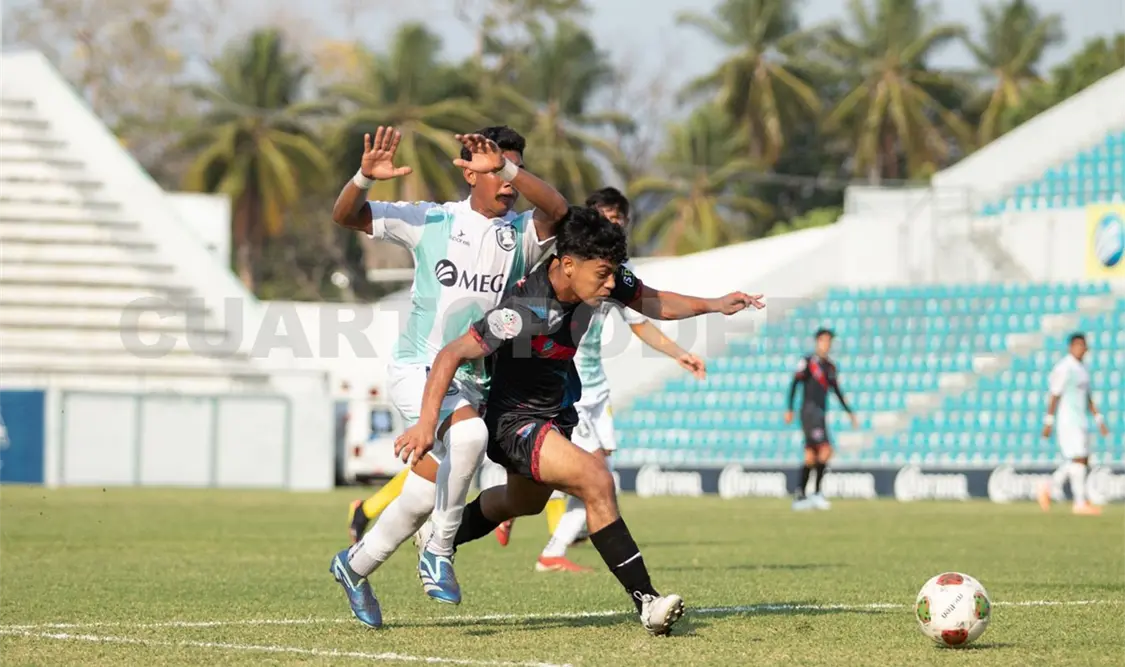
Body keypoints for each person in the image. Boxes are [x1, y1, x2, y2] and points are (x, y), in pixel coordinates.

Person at [394, 207, 764, 634]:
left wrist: (715, 305)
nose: (610, 286)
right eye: (602, 275)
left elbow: (653, 300)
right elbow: (451, 353)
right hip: (514, 420)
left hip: (556, 410)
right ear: (567, 265)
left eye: (613, 275)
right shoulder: (524, 309)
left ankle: (442, 535)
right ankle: (647, 601)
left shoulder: (604, 278)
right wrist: (426, 423)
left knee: (524, 503)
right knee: (596, 479)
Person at [328, 125, 569, 629]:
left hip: (473, 380)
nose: (508, 181)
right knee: (470, 435)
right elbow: (346, 215)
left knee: (421, 495)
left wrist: (507, 167)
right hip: (417, 367)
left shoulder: (523, 234)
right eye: (495, 169)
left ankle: (354, 566)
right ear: (469, 172)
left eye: (514, 169)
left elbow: (560, 210)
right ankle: (439, 550)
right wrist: (363, 179)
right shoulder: (431, 219)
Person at [534, 187, 707, 573]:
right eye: (606, 217)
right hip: (570, 390)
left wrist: (679, 353)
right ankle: (547, 545)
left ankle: (539, 530)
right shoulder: (568, 267)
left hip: (597, 389)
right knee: (597, 476)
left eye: (619, 220)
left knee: (595, 475)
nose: (612, 224)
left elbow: (641, 322)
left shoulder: (615, 277)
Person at [784, 328, 858, 511]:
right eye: (824, 341)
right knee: (825, 450)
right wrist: (789, 408)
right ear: (817, 342)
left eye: (829, 341)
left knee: (811, 456)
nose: (826, 344)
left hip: (821, 414)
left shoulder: (830, 367)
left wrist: (849, 412)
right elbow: (794, 384)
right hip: (809, 413)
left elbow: (837, 391)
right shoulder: (808, 362)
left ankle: (800, 496)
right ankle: (816, 493)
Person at [1038, 333, 1111, 515]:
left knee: (1082, 459)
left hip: (1081, 420)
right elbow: (1054, 394)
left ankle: (1048, 487)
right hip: (1068, 420)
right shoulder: (1064, 367)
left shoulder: (1083, 369)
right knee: (1078, 458)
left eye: (1082, 346)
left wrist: (1099, 419)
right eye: (1077, 345)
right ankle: (1079, 502)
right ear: (1070, 347)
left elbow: (1088, 397)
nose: (1080, 349)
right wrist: (1049, 420)